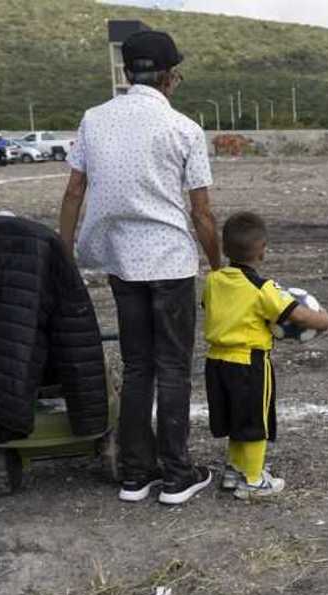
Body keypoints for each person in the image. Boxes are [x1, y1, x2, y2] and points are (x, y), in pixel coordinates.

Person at [58, 29, 223, 506]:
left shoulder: (94, 120)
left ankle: (135, 475)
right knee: (173, 367)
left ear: (128, 73)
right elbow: (202, 213)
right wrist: (217, 266)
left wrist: (63, 254)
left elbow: (74, 193)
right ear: (170, 77)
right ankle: (176, 475)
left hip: (122, 262)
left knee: (137, 367)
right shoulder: (185, 129)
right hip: (169, 262)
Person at [203, 212, 328, 500]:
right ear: (262, 249)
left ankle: (234, 469)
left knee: (234, 417)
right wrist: (323, 320)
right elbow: (297, 314)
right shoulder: (264, 289)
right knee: (254, 421)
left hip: (215, 362)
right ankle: (253, 480)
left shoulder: (213, 280)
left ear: (225, 249)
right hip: (249, 362)